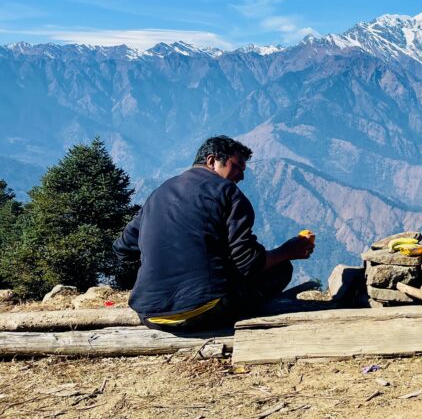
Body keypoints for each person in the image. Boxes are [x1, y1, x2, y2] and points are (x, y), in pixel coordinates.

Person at [113, 135, 314, 331]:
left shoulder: (159, 193)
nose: (241, 176)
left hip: (150, 314)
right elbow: (248, 263)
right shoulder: (228, 192)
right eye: (236, 167)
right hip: (204, 313)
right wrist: (288, 251)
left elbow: (123, 248)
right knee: (281, 269)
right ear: (212, 160)